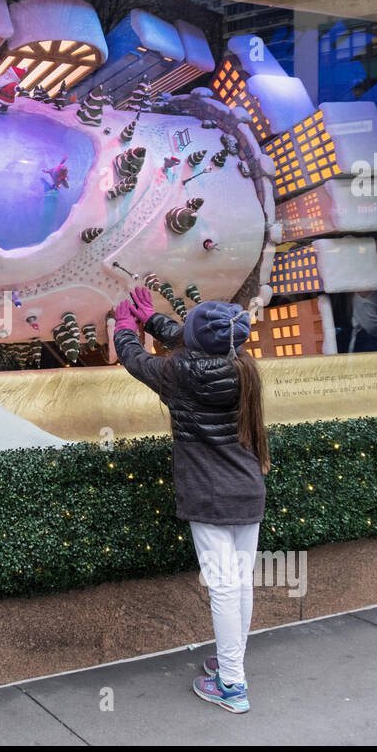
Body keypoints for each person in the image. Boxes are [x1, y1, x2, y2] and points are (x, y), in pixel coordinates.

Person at [113, 287, 269, 714]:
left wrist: (125, 327)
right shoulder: (244, 365)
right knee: (239, 583)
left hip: (209, 493)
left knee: (223, 587)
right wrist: (151, 320)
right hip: (247, 487)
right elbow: (192, 339)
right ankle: (231, 661)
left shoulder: (181, 372)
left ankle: (232, 686)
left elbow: (136, 360)